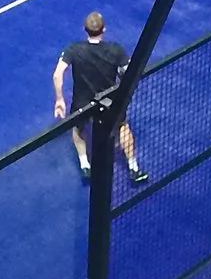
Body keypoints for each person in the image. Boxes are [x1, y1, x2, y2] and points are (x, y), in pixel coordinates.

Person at [52, 11, 145, 184]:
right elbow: (130, 72)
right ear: (104, 29)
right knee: (123, 127)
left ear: (85, 30)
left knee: (78, 129)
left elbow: (58, 75)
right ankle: (134, 167)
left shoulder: (74, 49)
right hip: (109, 101)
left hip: (83, 103)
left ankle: (84, 164)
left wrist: (59, 99)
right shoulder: (116, 50)